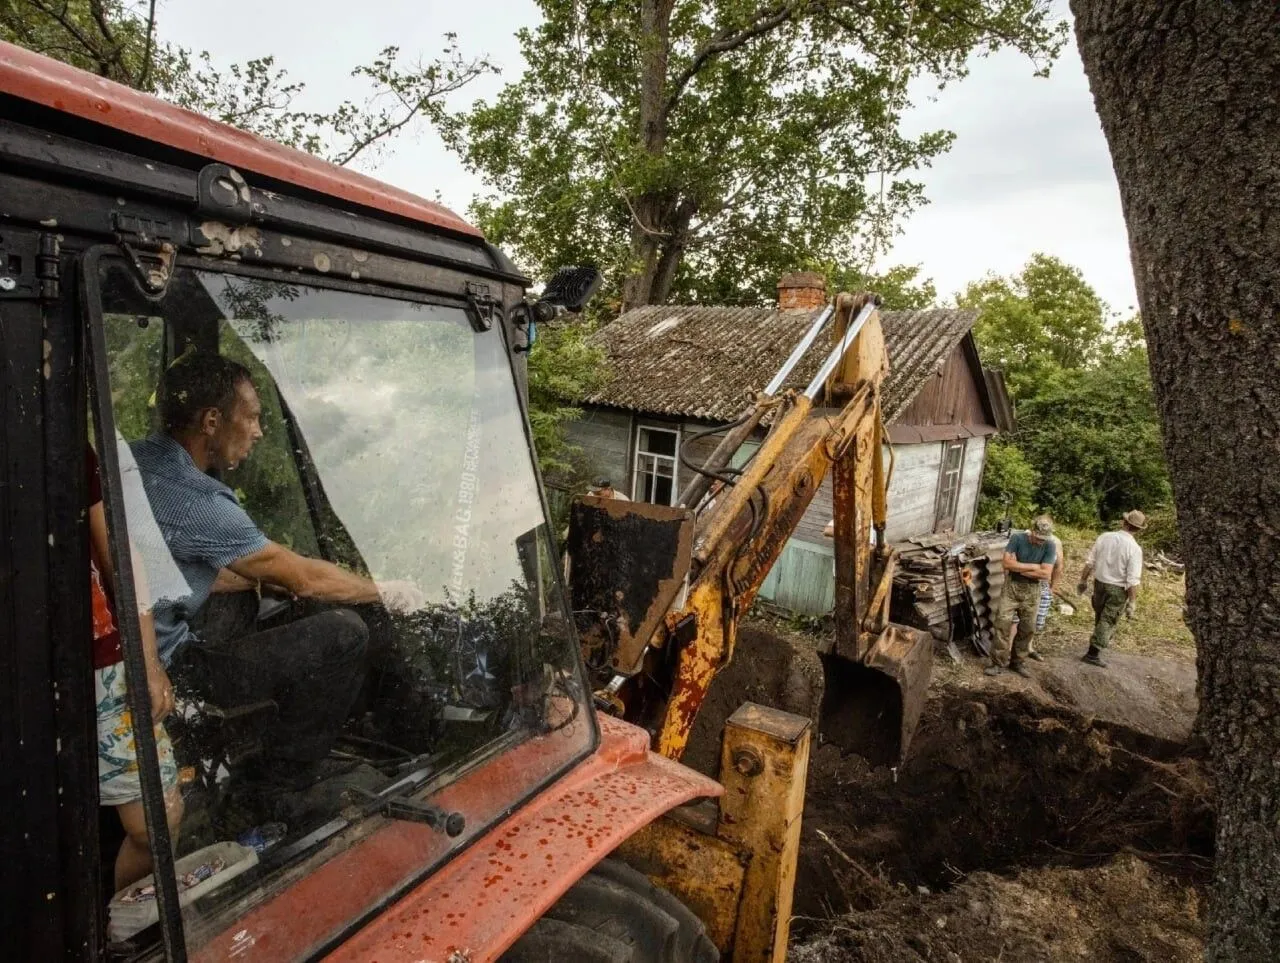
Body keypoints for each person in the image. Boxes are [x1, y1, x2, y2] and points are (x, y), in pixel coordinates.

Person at [129, 353, 423, 785]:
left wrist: (263, 579)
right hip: (176, 667)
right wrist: (386, 589)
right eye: (251, 417)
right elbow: (303, 577)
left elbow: (175, 564)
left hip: (147, 636)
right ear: (212, 422)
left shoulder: (138, 459)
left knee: (262, 593)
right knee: (346, 629)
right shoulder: (197, 500)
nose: (258, 431)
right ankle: (284, 779)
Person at [88, 446, 185, 891]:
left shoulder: (59, 443)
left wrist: (147, 660)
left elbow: (119, 552)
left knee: (156, 821)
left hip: (100, 663)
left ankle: (115, 932)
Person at [986, 515, 1058, 678]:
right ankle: (998, 662)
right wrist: (1033, 566)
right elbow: (1006, 564)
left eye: (1043, 539)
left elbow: (1045, 573)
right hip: (1012, 587)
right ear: (1032, 531)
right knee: (1002, 623)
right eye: (1038, 538)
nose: (1040, 542)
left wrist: (1018, 567)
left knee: (1027, 627)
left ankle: (1018, 662)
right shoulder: (1017, 539)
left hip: (1032, 591)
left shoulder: (1050, 545)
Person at [1076, 509, 1146, 668]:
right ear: (1138, 529)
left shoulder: (1105, 537)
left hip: (1099, 583)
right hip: (1117, 589)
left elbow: (1090, 562)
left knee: (1100, 616)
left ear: (1124, 522)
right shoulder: (1134, 549)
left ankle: (1096, 645)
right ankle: (1092, 654)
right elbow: (1132, 579)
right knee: (1108, 620)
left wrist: (1083, 580)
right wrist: (1132, 602)